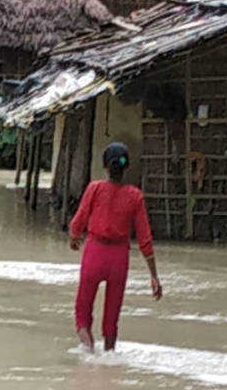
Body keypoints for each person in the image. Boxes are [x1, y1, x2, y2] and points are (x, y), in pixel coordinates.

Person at [69, 142, 163, 353]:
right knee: (111, 318)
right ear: (126, 167)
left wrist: (74, 238)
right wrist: (154, 277)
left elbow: (78, 221)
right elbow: (145, 239)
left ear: (105, 166)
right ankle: (108, 358)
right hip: (119, 259)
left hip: (95, 253)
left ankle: (88, 352)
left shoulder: (94, 189)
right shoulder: (135, 196)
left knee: (82, 313)